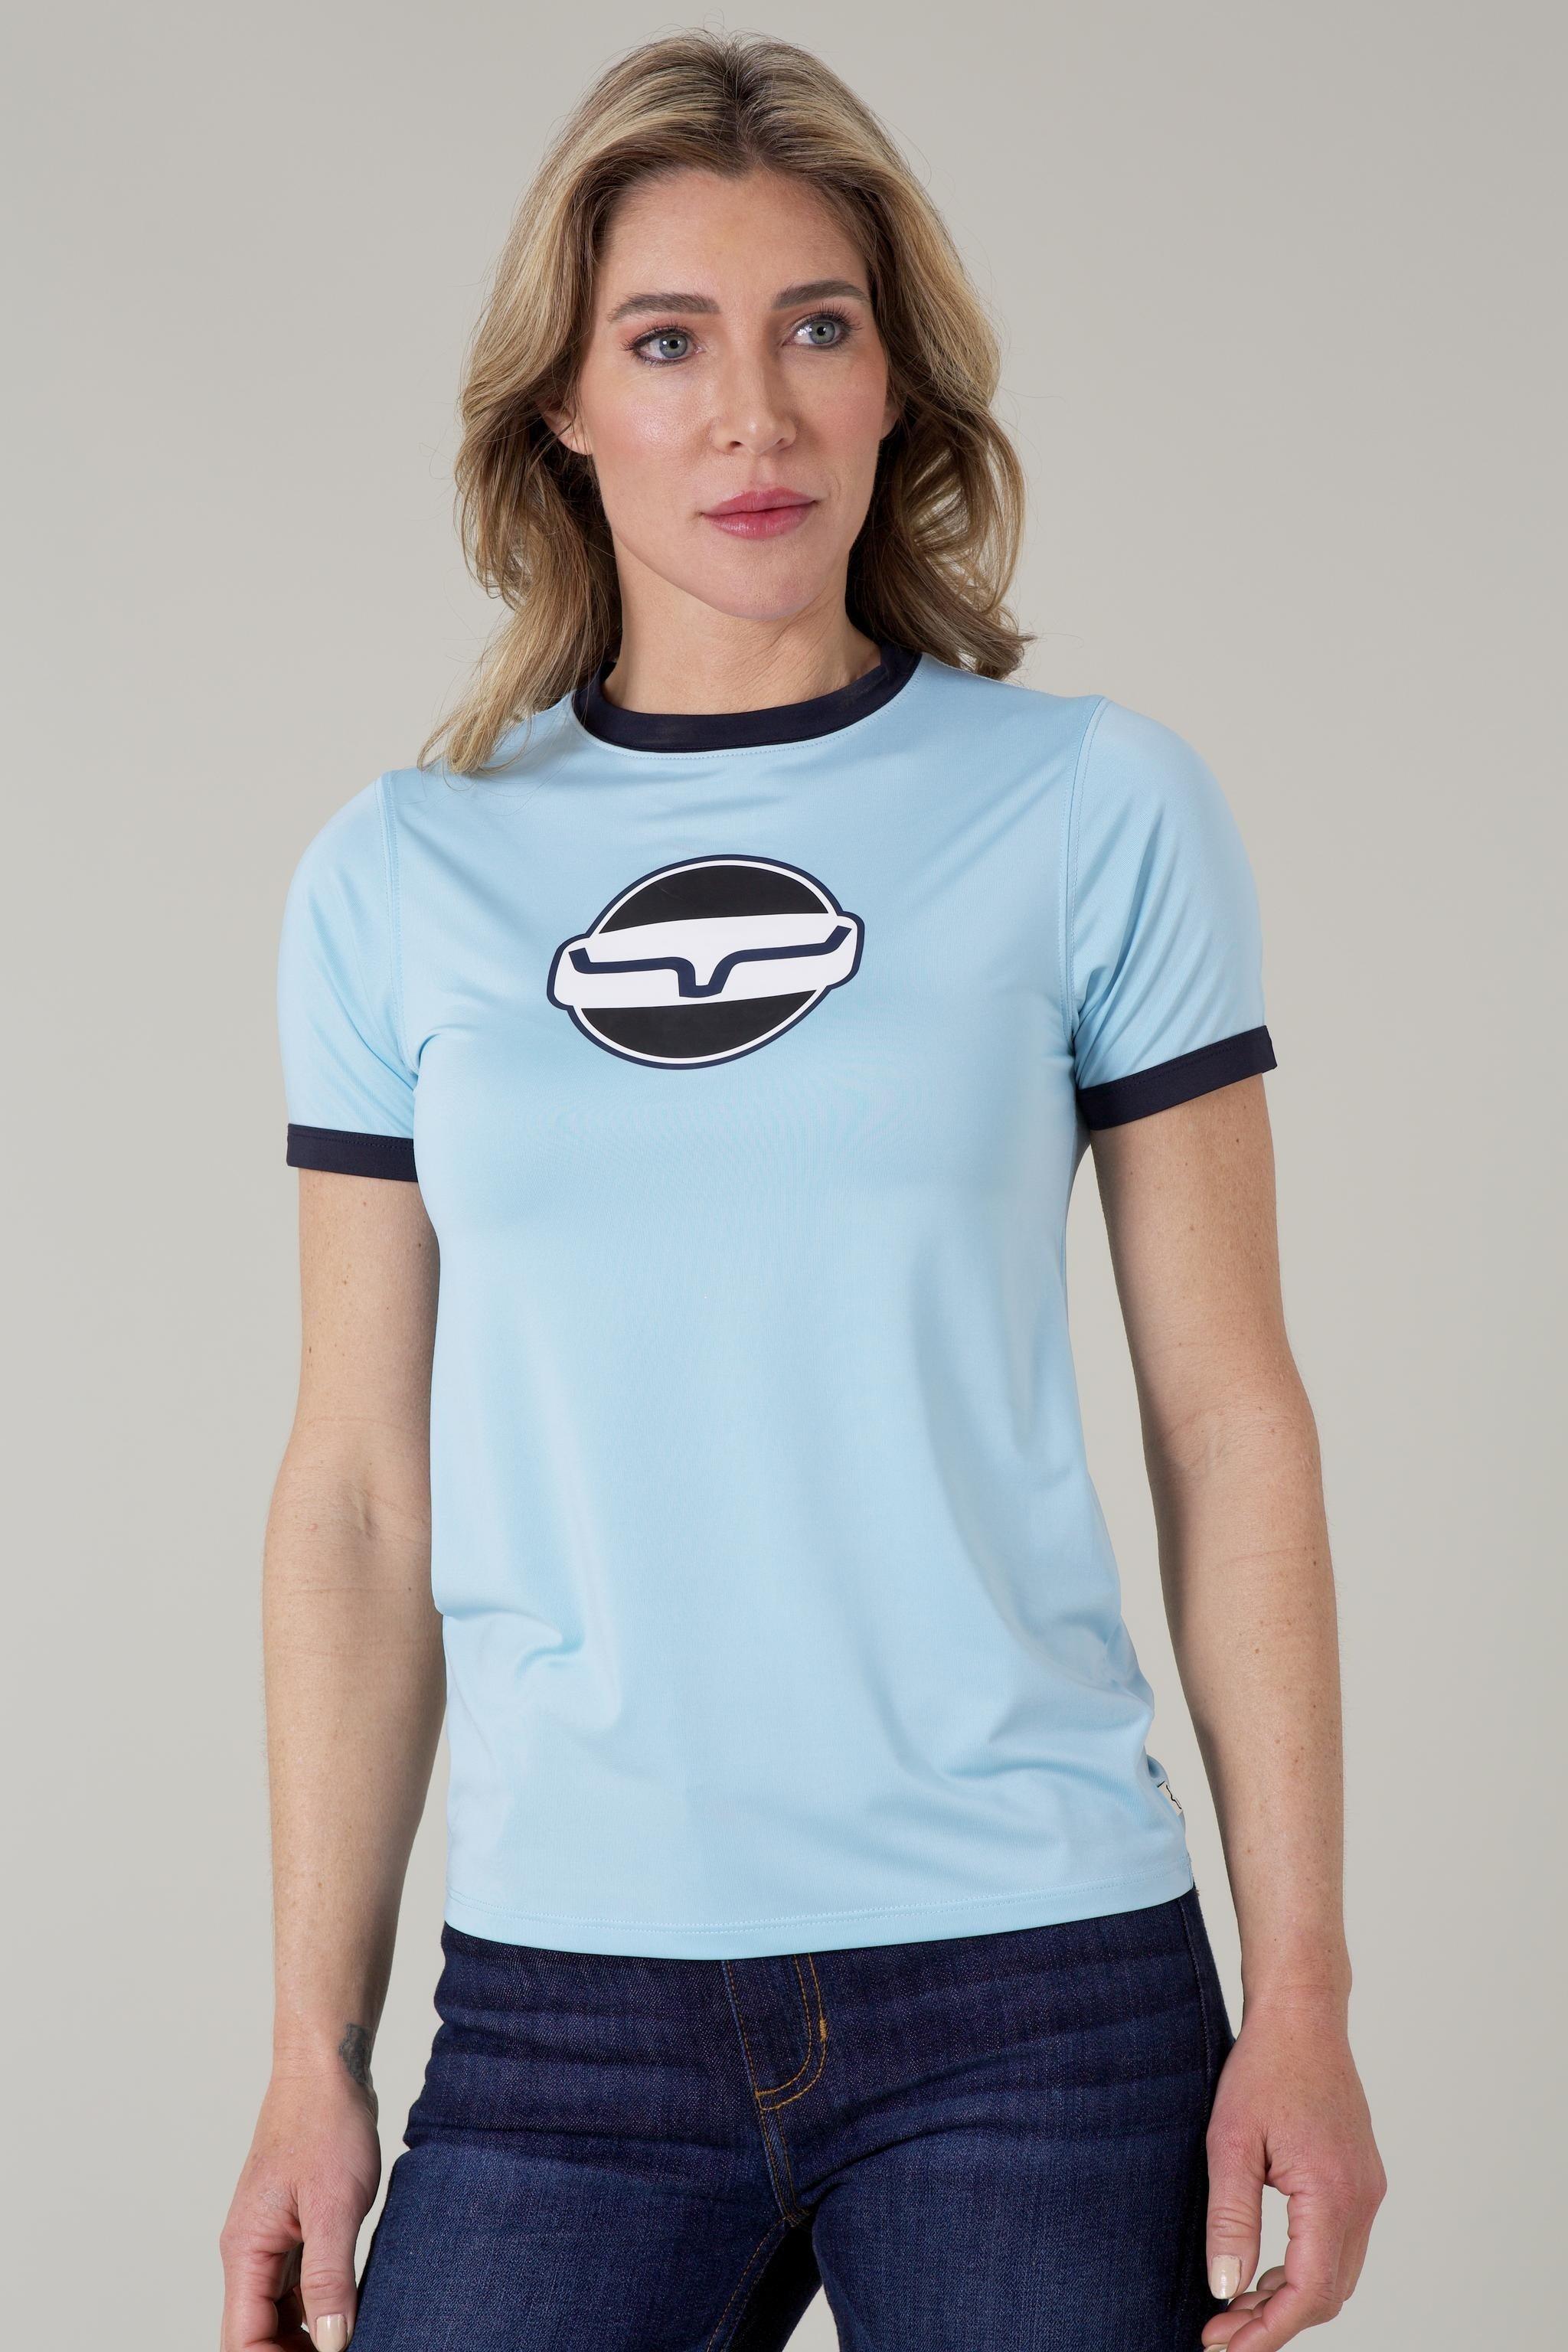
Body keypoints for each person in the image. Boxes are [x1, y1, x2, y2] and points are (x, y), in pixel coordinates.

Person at [220, 29, 1385, 2352]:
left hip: (1037, 1992)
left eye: (815, 329)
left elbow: (1227, 1414)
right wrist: (309, 2056)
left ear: (894, 383)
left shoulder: (1090, 807)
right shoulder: (404, 873)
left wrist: (1307, 1998)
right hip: (563, 2014)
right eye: (668, 342)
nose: (752, 415)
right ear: (565, 406)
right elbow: (356, 1486)